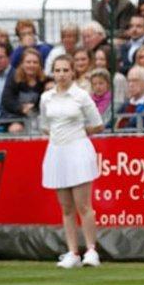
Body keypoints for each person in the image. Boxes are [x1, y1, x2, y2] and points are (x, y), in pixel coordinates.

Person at [40, 56, 105, 268]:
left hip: (78, 151)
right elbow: (45, 125)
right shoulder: (46, 98)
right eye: (57, 70)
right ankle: (72, 252)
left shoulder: (81, 96)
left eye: (65, 70)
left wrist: (77, 133)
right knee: (66, 207)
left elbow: (97, 124)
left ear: (72, 73)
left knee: (83, 205)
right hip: (57, 153)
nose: (61, 74)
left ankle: (91, 251)